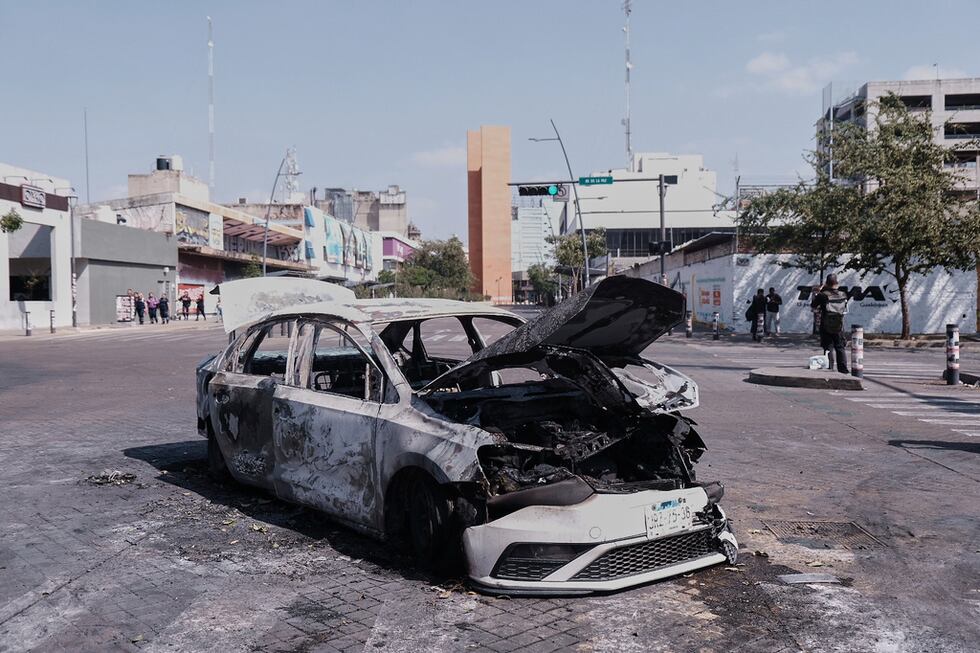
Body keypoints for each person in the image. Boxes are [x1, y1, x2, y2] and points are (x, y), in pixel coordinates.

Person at [811, 273, 849, 373]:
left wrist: (819, 291)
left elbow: (813, 305)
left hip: (825, 324)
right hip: (839, 324)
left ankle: (829, 367)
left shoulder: (822, 295)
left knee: (828, 347)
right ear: (837, 283)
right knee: (840, 347)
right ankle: (843, 369)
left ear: (826, 283)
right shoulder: (843, 294)